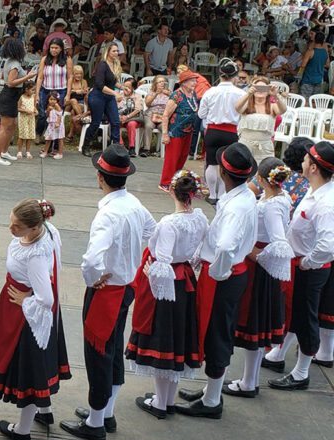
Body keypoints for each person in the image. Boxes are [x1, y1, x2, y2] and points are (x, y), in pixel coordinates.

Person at [63, 144, 156, 440]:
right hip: (126, 287)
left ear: (100, 178)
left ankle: (95, 421)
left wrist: (94, 279)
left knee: (98, 356)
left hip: (108, 292)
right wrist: (130, 256)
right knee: (113, 350)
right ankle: (105, 412)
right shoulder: (134, 204)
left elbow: (91, 260)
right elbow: (151, 231)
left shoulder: (108, 215)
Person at [175, 143, 257, 420]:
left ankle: (211, 401)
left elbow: (224, 247)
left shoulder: (238, 205)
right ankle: (212, 390)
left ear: (222, 171)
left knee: (217, 333)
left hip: (223, 275)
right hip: (227, 273)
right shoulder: (239, 197)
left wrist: (216, 272)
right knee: (216, 331)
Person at [0, 198, 70, 440]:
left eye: (16, 227)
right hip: (20, 307)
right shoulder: (47, 230)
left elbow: (46, 298)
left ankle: (22, 430)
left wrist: (25, 300)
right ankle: (45, 411)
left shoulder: (35, 255)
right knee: (39, 364)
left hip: (26, 317)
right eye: (11, 222)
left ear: (34, 228)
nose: (11, 229)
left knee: (30, 369)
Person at [126, 169, 208, 419]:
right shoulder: (201, 219)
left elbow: (162, 260)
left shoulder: (169, 223)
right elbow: (202, 252)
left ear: (172, 191)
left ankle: (161, 404)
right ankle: (167, 399)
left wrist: (152, 272)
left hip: (167, 285)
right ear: (192, 194)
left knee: (165, 340)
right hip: (186, 283)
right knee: (178, 341)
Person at [222, 158, 293, 399]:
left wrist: (252, 252)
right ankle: (248, 379)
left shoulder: (272, 205)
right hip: (262, 267)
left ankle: (249, 382)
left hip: (259, 269)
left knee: (253, 324)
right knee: (256, 325)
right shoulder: (279, 198)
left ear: (262, 179)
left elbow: (279, 241)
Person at [265, 142, 334, 390]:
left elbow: (328, 244)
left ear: (313, 167)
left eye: (306, 160)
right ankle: (280, 356)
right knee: (296, 315)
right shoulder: (317, 191)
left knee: (306, 319)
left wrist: (307, 262)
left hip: (310, 268)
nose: (302, 163)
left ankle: (301, 373)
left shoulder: (326, 202)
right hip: (302, 264)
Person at [198, 58, 243, 204]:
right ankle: (222, 194)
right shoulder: (240, 93)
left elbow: (201, 114)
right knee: (226, 164)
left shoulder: (211, 91)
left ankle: (212, 195)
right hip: (231, 131)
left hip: (213, 131)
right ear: (234, 75)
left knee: (212, 163)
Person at [0, 38, 38, 166]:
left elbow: (3, 77)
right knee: (5, 127)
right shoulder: (15, 65)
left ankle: (4, 152)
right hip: (9, 95)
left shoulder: (9, 62)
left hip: (11, 96)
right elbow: (11, 83)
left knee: (12, 126)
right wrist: (27, 77)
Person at [159, 70, 200, 191]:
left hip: (188, 131)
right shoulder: (176, 95)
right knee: (172, 159)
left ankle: (175, 180)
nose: (195, 82)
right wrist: (165, 134)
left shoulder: (193, 94)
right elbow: (166, 115)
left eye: (195, 80)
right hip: (175, 131)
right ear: (184, 82)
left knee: (182, 157)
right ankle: (165, 182)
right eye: (192, 80)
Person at [80, 44, 122, 157]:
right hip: (98, 96)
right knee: (96, 122)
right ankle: (86, 145)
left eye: (117, 51)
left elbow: (113, 82)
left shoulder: (115, 64)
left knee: (115, 122)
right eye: (114, 51)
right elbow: (99, 84)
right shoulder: (102, 65)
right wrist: (115, 92)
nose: (116, 53)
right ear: (108, 52)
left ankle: (116, 147)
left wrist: (122, 87)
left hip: (109, 97)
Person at [235, 77, 288, 165]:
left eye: (263, 88)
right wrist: (248, 93)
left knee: (264, 173)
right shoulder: (247, 104)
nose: (260, 91)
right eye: (257, 88)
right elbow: (237, 108)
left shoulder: (272, 106)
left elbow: (283, 110)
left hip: (264, 147)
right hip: (245, 145)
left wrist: (275, 94)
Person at [35, 38, 71, 147]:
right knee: (42, 113)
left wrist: (68, 94)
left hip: (61, 90)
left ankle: (52, 140)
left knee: (56, 115)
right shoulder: (44, 60)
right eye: (52, 48)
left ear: (61, 49)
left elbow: (70, 77)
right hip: (46, 89)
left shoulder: (67, 60)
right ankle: (39, 133)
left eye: (56, 48)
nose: (54, 50)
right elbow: (40, 77)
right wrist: (37, 93)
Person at [142, 75, 170, 157]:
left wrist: (169, 95)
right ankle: (146, 149)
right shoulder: (151, 93)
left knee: (164, 128)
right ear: (155, 84)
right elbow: (147, 104)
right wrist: (155, 94)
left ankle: (165, 150)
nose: (161, 83)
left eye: (163, 82)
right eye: (159, 82)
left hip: (163, 116)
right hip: (151, 114)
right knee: (148, 126)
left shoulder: (169, 93)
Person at [298, 32, 329, 98]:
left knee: (305, 101)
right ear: (323, 41)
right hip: (319, 80)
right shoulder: (325, 52)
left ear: (314, 39)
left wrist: (299, 75)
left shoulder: (310, 51)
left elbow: (303, 65)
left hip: (308, 79)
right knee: (314, 101)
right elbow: (327, 64)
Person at [117, 80, 142, 158]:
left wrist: (127, 117)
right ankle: (121, 146)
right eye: (124, 86)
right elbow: (114, 107)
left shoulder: (137, 96)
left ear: (133, 88)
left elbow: (138, 109)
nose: (126, 88)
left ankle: (131, 147)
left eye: (128, 87)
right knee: (115, 123)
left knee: (131, 124)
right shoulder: (119, 95)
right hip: (120, 117)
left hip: (133, 118)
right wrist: (119, 116)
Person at [67, 65, 88, 142]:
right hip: (68, 103)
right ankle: (82, 119)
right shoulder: (70, 81)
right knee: (73, 100)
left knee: (73, 112)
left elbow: (86, 94)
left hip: (81, 103)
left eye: (80, 74)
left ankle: (71, 135)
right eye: (77, 73)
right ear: (73, 73)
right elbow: (67, 94)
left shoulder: (84, 82)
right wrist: (75, 91)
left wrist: (85, 92)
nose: (79, 75)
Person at [43, 91, 66, 159]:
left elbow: (59, 115)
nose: (52, 101)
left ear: (57, 100)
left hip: (57, 125)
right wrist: (48, 110)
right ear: (48, 99)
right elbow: (47, 115)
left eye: (54, 99)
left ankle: (60, 153)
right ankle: (45, 151)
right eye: (51, 99)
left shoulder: (56, 105)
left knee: (60, 139)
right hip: (51, 124)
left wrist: (58, 123)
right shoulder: (48, 106)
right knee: (48, 138)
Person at [17, 81, 37, 159]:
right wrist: (25, 111)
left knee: (30, 135)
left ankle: (28, 151)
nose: (33, 91)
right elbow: (18, 108)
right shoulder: (21, 97)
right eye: (32, 90)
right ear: (26, 89)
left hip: (31, 118)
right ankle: (19, 151)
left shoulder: (33, 97)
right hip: (23, 118)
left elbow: (34, 106)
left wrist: (35, 110)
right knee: (22, 135)